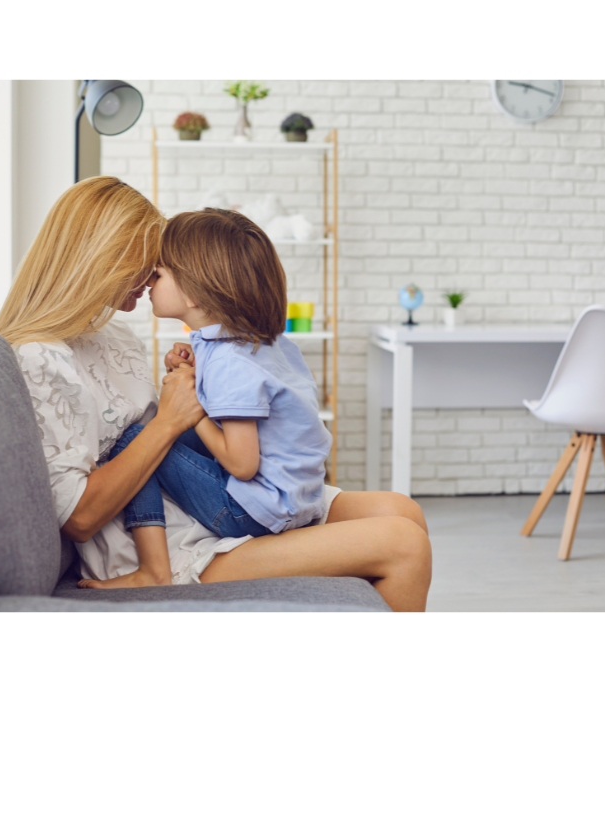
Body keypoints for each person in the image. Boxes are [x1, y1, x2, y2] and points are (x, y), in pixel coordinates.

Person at [0, 176, 431, 611]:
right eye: (146, 262)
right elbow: (81, 516)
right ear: (101, 259)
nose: (149, 277)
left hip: (204, 499)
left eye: (157, 267)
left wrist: (193, 393)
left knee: (401, 510)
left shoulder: (113, 334)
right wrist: (171, 420)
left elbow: (184, 424)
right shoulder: (39, 358)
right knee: (403, 544)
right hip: (164, 541)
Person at [79, 207, 418, 593]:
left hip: (251, 512)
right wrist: (188, 370)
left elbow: (241, 464)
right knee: (158, 433)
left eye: (158, 274)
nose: (149, 283)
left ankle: (152, 571)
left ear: (191, 290)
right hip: (299, 496)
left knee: (135, 441)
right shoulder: (256, 342)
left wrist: (191, 411)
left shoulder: (228, 363)